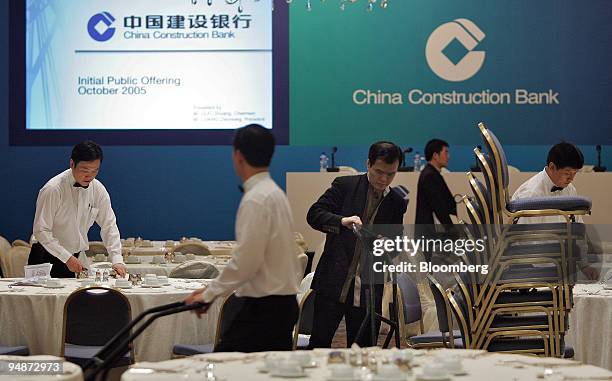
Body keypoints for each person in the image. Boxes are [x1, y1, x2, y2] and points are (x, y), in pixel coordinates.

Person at [186, 124, 301, 352]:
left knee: (227, 366)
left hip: (264, 308)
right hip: (282, 303)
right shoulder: (275, 193)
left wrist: (210, 293)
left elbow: (246, 261)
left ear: (238, 155)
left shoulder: (255, 199)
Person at [306, 141, 407, 348]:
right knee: (318, 346)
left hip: (369, 289)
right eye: (379, 172)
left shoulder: (396, 201)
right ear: (368, 164)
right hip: (333, 282)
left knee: (364, 352)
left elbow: (397, 242)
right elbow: (314, 215)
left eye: (391, 174)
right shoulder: (345, 185)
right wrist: (342, 221)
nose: (384, 179)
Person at [29, 141, 126, 278]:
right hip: (46, 257)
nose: (90, 176)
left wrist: (117, 259)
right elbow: (41, 230)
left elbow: (109, 225)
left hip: (75, 258)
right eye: (85, 171)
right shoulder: (53, 189)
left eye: (95, 171)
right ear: (72, 164)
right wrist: (65, 257)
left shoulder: (97, 189)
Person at [512, 142, 599, 280]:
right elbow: (522, 242)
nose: (571, 178)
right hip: (532, 268)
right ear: (552, 167)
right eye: (567, 173)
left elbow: (578, 231)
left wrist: (584, 265)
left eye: (574, 173)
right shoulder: (531, 194)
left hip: (559, 264)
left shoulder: (569, 189)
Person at [415, 139, 456, 226]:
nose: (448, 156)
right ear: (435, 155)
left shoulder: (431, 173)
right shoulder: (430, 176)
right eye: (446, 152)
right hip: (431, 233)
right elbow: (439, 206)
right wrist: (452, 230)